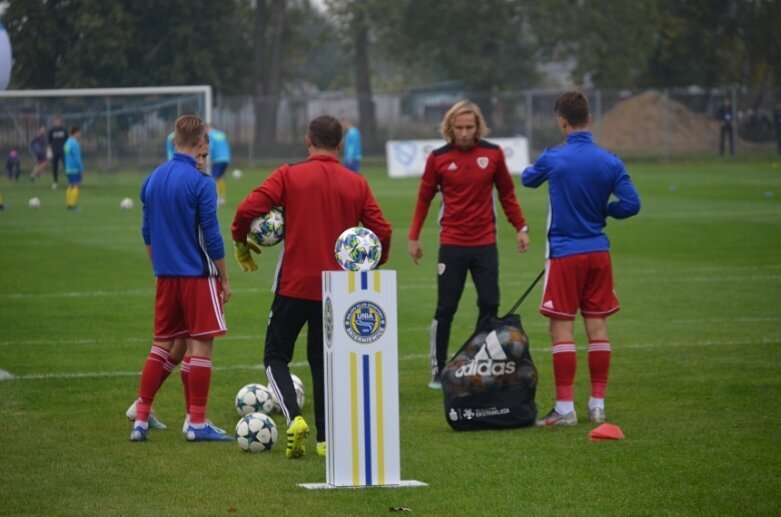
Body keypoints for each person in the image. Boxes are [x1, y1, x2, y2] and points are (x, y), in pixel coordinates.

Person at [231, 114, 392, 459]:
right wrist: (375, 264)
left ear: (307, 140)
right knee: (323, 362)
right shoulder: (356, 183)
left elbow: (247, 208)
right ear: (340, 144)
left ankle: (293, 418)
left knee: (275, 356)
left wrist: (240, 241)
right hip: (339, 288)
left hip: (294, 284)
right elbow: (383, 231)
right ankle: (325, 439)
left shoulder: (289, 175)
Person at [521, 91, 640, 427]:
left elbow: (528, 179)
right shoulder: (610, 161)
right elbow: (631, 205)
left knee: (561, 330)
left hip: (565, 254)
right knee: (597, 327)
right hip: (598, 253)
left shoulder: (553, 158)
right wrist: (606, 210)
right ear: (589, 118)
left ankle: (564, 408)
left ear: (561, 121)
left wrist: (541, 163)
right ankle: (597, 405)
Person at [408, 100, 530, 390]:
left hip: (485, 243)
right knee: (446, 307)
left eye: (469, 127)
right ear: (450, 128)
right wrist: (413, 236)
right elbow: (424, 198)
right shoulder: (438, 158)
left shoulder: (493, 154)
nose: (464, 133)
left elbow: (507, 195)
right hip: (451, 244)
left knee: (490, 303)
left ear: (478, 127)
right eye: (459, 127)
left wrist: (521, 227)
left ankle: (475, 361)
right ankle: (438, 369)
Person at [130, 114, 232, 442]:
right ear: (202, 142)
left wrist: (159, 267)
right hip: (197, 276)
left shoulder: (152, 179)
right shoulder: (203, 183)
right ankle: (197, 423)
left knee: (162, 345)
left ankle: (141, 418)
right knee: (201, 346)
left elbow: (147, 233)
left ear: (175, 142)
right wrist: (225, 278)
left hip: (166, 276)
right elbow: (212, 238)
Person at [207, 125, 231, 206]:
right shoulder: (221, 134)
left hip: (217, 159)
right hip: (226, 158)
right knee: (220, 177)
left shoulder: (210, 135)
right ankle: (222, 197)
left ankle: (215, 198)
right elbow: (226, 145)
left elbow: (211, 147)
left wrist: (208, 159)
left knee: (213, 178)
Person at [63, 127, 84, 210]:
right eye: (79, 133)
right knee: (76, 186)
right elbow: (77, 158)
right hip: (75, 168)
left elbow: (66, 155)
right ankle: (72, 205)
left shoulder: (67, 143)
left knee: (70, 186)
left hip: (68, 168)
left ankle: (69, 203)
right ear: (75, 133)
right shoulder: (74, 144)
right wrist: (81, 169)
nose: (80, 135)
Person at [48, 116, 68, 189]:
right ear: (54, 122)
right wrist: (49, 152)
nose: (57, 122)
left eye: (59, 121)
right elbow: (49, 142)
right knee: (55, 167)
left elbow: (67, 140)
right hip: (55, 151)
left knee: (66, 166)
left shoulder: (64, 130)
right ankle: (55, 182)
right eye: (56, 121)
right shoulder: (51, 130)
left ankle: (70, 181)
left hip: (63, 151)